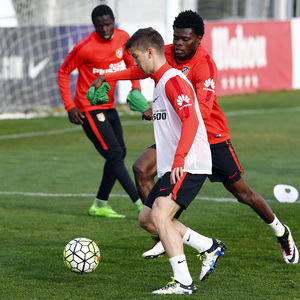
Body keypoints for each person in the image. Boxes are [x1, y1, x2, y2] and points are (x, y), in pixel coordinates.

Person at [90, 10, 298, 264]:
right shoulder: (166, 52)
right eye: (176, 37)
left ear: (199, 39)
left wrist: (157, 109)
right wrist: (107, 77)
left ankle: (280, 231)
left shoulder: (205, 66)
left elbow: (202, 111)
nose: (178, 43)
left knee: (242, 193)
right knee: (142, 169)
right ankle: (162, 235)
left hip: (211, 137)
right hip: (179, 134)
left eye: (185, 39)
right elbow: (141, 71)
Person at [123, 26, 224, 294]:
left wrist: (179, 158)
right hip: (174, 165)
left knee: (160, 214)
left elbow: (192, 119)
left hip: (188, 162)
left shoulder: (172, 81)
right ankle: (208, 246)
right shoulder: (159, 82)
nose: (135, 63)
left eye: (136, 57)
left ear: (149, 52)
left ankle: (183, 282)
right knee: (147, 219)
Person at [57, 5, 144, 218]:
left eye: (108, 24)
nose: (105, 29)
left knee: (119, 153)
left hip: (109, 106)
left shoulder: (123, 39)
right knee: (114, 153)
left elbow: (132, 65)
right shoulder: (84, 47)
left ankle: (100, 203)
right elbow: (63, 72)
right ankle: (141, 203)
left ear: (113, 21)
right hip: (89, 108)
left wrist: (136, 89)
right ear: (94, 25)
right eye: (99, 25)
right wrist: (70, 106)